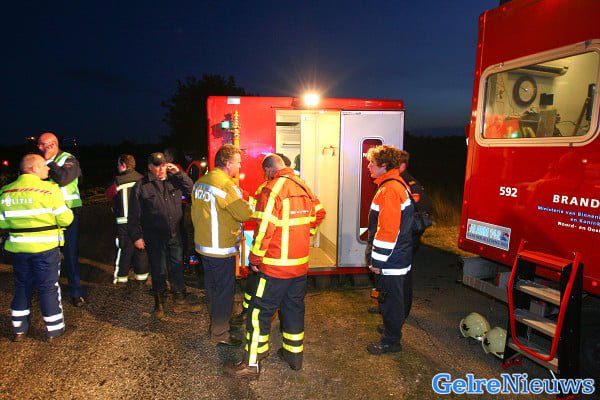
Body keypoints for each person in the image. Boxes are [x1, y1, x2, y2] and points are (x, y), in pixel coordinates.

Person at [224, 153, 326, 378]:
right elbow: (320, 212)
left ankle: (251, 364)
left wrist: (255, 259)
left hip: (274, 268)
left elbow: (264, 229)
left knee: (258, 313)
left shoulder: (272, 189)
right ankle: (293, 356)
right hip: (299, 266)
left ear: (269, 170)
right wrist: (304, 234)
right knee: (293, 309)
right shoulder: (303, 186)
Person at [0, 154, 74, 341]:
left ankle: (19, 330)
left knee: (21, 286)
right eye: (44, 165)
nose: (48, 168)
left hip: (19, 250)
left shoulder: (5, 192)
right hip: (45, 249)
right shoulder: (50, 190)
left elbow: (2, 222)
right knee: (48, 287)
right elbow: (66, 219)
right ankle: (54, 330)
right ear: (33, 169)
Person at [191, 144, 253, 346]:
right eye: (238, 162)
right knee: (224, 293)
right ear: (227, 163)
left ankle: (216, 326)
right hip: (221, 249)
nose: (239, 166)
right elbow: (244, 214)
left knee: (212, 289)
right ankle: (220, 334)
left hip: (204, 247)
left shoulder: (201, 182)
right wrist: (248, 202)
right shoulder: (225, 185)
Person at [127, 152, 200, 318]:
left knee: (177, 267)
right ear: (149, 167)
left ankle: (180, 301)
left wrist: (179, 173)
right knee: (158, 269)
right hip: (154, 236)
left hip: (175, 233)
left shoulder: (174, 179)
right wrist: (136, 236)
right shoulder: (141, 186)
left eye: (163, 166)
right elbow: (133, 214)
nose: (160, 170)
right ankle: (159, 305)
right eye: (156, 166)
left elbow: (192, 190)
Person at [364, 144, 414, 355]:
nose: (369, 166)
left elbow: (387, 231)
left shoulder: (389, 190)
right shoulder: (396, 184)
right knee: (393, 297)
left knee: (391, 300)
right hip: (399, 255)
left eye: (372, 162)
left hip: (391, 259)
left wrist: (377, 262)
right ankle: (391, 329)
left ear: (384, 165)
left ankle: (391, 341)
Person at [232, 152, 292, 325]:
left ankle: (253, 313)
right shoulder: (283, 187)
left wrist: (256, 256)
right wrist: (245, 197)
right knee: (258, 282)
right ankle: (249, 311)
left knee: (261, 283)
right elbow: (258, 205)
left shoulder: (274, 188)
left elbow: (264, 218)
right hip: (274, 246)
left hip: (272, 248)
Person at [37, 132, 85, 307]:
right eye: (39, 145)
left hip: (68, 212)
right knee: (47, 254)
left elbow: (63, 179)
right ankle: (48, 292)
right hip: (47, 213)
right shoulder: (38, 161)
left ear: (53, 145)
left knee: (70, 253)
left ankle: (75, 292)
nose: (39, 147)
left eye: (42, 144)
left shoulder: (68, 159)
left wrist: (50, 161)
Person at [105, 154, 148, 286]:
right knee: (141, 249)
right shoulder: (143, 179)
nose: (117, 167)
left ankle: (121, 278)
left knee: (124, 249)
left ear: (123, 165)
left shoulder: (117, 181)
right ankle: (141, 278)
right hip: (140, 222)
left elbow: (109, 195)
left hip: (123, 222)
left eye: (118, 164)